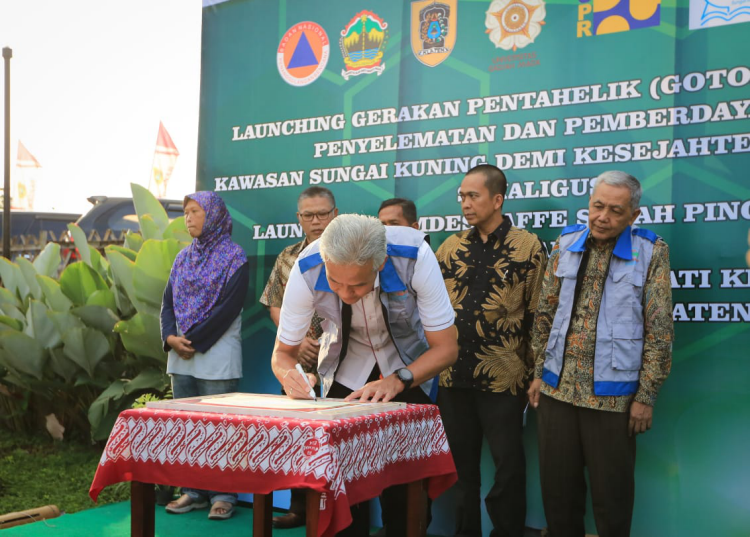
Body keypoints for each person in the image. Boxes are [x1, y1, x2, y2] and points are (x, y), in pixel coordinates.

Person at [271, 214, 458, 537]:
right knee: (340, 493)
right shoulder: (307, 266)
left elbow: (446, 349)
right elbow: (282, 355)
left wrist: (399, 379)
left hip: (407, 369)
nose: (345, 293)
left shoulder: (414, 255)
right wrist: (291, 377)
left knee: (406, 495)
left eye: (358, 284)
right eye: (335, 282)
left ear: (381, 262)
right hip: (343, 372)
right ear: (326, 262)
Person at [528, 171, 673, 537]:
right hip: (557, 390)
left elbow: (660, 331)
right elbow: (544, 314)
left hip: (613, 398)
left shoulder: (651, 251)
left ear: (633, 216)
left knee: (613, 499)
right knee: (558, 497)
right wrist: (537, 373)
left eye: (614, 210)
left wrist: (646, 396)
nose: (602, 216)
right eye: (597, 206)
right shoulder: (565, 243)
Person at [435, 164, 547, 537]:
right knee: (460, 470)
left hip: (505, 377)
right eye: (462, 197)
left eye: (473, 196)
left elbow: (539, 315)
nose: (465, 204)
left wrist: (537, 373)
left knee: (508, 467)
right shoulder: (451, 246)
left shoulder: (528, 246)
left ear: (497, 199)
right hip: (453, 375)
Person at [160, 191, 249, 520]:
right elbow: (167, 303)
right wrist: (170, 337)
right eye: (186, 212)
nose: (189, 217)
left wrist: (191, 340)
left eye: (196, 211)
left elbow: (229, 308)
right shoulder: (182, 258)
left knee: (221, 428)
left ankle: (224, 494)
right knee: (187, 427)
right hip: (181, 353)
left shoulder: (234, 257)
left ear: (213, 215)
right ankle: (193, 491)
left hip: (216, 353)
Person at [259, 186, 338, 529]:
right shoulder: (288, 257)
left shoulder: (349, 250)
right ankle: (298, 509)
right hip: (296, 361)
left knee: (335, 440)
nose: (317, 220)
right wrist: (298, 340)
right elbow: (275, 303)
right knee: (297, 437)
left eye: (323, 213)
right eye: (309, 215)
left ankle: (334, 511)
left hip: (341, 362)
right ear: (299, 219)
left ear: (335, 213)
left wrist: (322, 343)